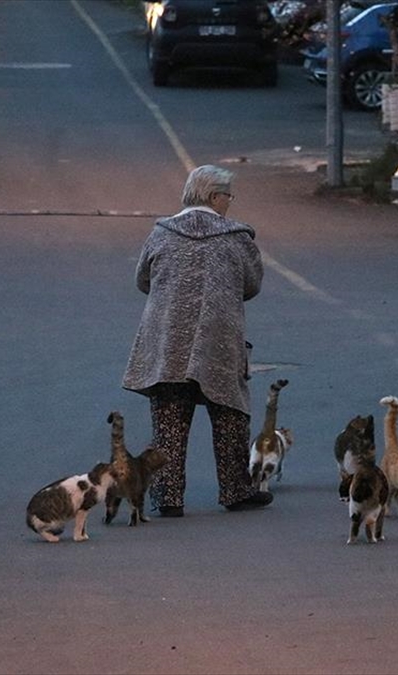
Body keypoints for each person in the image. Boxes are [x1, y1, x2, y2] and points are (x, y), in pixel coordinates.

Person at [122, 165, 273, 517]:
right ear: (214, 197)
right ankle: (236, 489)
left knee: (169, 417)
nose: (230, 204)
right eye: (228, 196)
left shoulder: (161, 233)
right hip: (217, 338)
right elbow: (252, 285)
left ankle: (168, 495)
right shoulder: (236, 237)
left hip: (166, 340)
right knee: (229, 412)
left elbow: (143, 279)